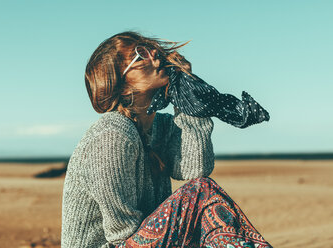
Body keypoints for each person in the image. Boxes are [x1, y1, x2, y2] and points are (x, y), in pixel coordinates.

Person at [61, 31, 272, 248]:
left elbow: (195, 168)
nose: (153, 53)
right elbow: (121, 233)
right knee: (201, 192)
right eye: (140, 54)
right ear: (122, 84)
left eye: (149, 47)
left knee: (202, 197)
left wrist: (188, 96)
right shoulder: (112, 134)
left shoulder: (161, 126)